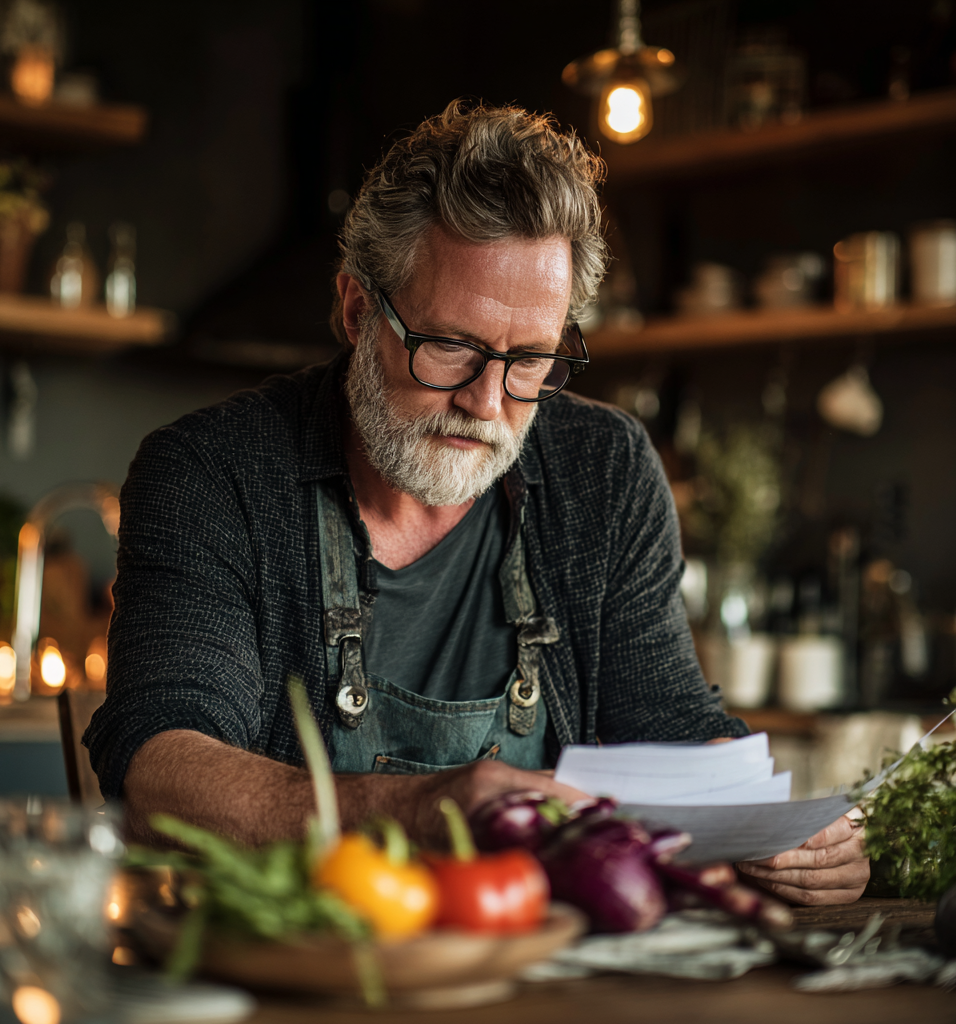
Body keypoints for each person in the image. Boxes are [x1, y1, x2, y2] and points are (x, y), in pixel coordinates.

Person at [84, 100, 868, 905]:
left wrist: (784, 831)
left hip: (535, 963)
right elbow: (160, 775)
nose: (489, 402)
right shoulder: (211, 474)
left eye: (530, 359)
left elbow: (665, 717)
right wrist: (419, 810)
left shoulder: (605, 468)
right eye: (451, 347)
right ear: (357, 312)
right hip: (294, 960)